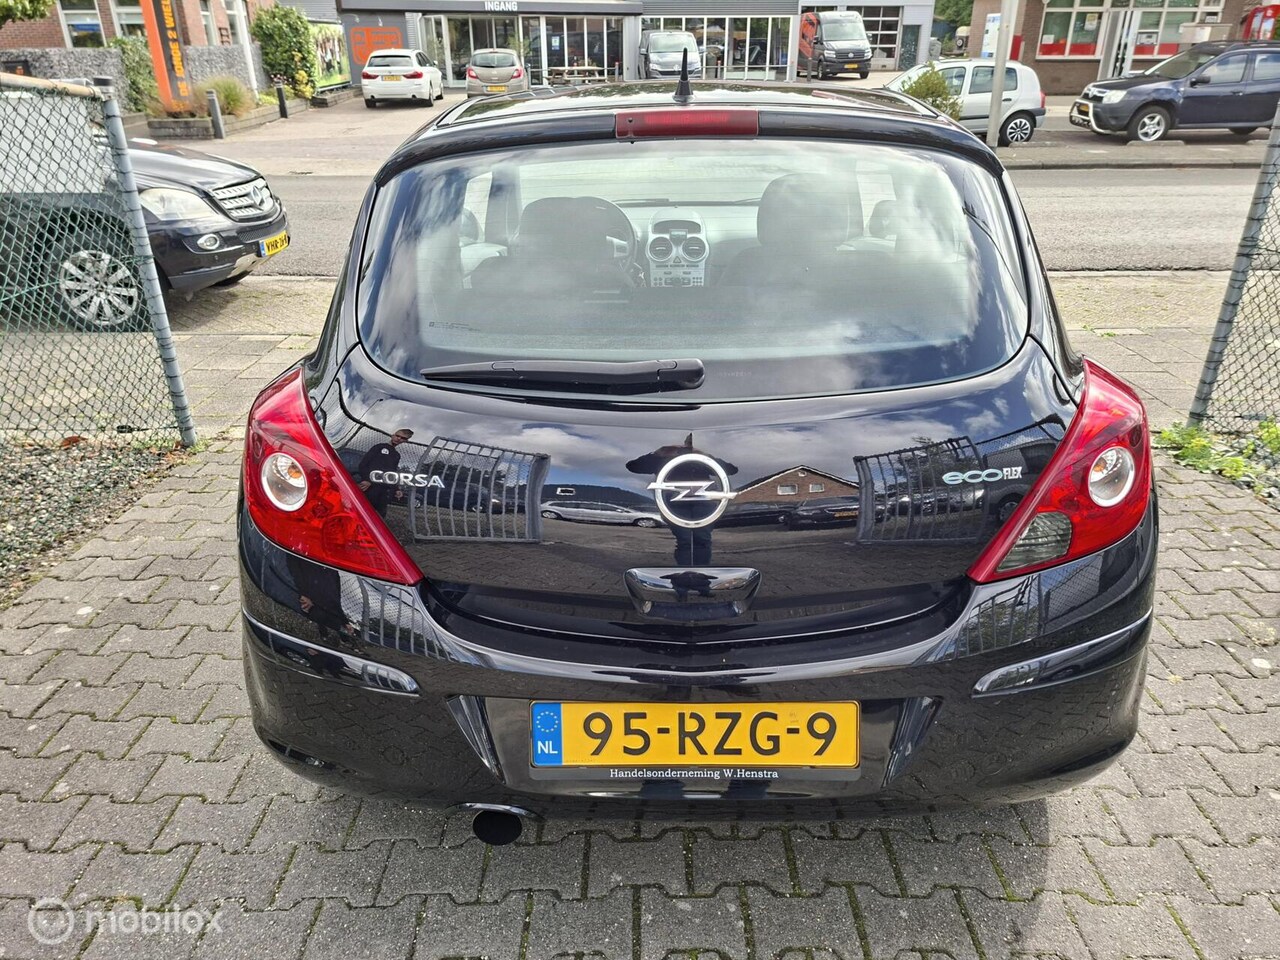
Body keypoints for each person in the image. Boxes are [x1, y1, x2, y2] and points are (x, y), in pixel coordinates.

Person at [354, 428, 413, 517]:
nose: (399, 439)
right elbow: (363, 464)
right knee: (362, 512)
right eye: (397, 436)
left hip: (384, 491)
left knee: (380, 516)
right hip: (370, 487)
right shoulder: (379, 447)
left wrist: (396, 489)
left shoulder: (396, 455)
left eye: (403, 438)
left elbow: (392, 474)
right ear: (393, 435)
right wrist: (367, 479)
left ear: (405, 441)